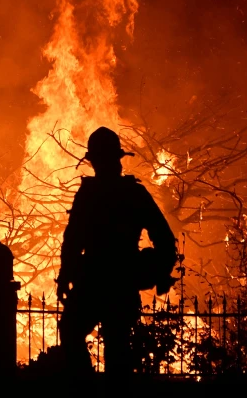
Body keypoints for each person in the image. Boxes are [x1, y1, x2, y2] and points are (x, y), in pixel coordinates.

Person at [56, 127, 178, 377]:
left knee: (78, 335)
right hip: (117, 283)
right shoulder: (131, 193)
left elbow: (72, 241)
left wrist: (66, 274)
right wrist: (154, 269)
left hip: (95, 282)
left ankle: (89, 392)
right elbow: (165, 240)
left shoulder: (92, 194)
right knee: (115, 351)